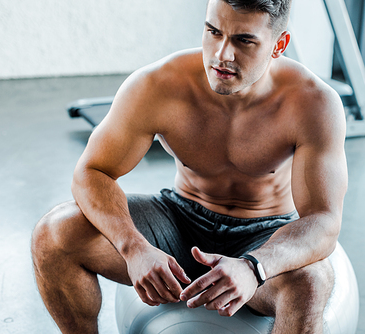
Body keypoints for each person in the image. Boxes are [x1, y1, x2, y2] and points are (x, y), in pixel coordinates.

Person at [31, 0, 348, 333]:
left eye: (243, 40)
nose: (222, 54)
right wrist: (134, 248)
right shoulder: (159, 85)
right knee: (54, 233)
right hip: (179, 220)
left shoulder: (313, 103)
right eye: (213, 31)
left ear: (278, 45)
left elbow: (323, 219)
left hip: (264, 234)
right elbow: (91, 172)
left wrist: (256, 267)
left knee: (310, 283)